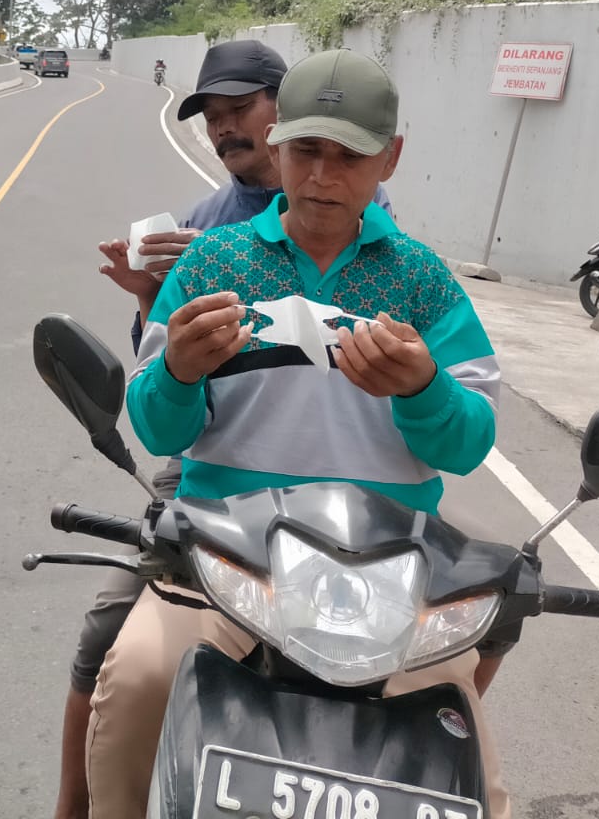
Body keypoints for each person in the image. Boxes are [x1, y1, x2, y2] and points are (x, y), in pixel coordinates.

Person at [85, 50, 508, 819]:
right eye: (307, 150)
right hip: (224, 561)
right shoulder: (212, 262)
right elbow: (154, 425)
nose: (322, 175)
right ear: (277, 144)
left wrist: (423, 389)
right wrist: (177, 370)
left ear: (391, 158)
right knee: (140, 676)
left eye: (349, 156)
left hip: (389, 574)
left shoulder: (423, 280)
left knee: (463, 753)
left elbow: (469, 440)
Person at [52, 40, 398, 819]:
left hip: (353, 486)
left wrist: (425, 394)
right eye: (212, 116)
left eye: (240, 109)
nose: (224, 129)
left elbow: (447, 406)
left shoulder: (376, 230)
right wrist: (151, 300)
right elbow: (162, 395)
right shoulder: (204, 231)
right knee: (111, 636)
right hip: (221, 476)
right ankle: (77, 803)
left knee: (476, 615)